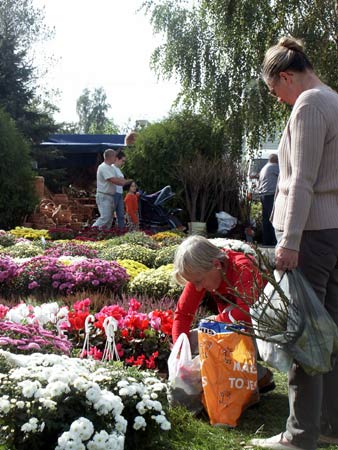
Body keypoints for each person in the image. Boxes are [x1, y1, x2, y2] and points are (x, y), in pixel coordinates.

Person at [249, 36, 338, 450]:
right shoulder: (334, 99)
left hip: (311, 237)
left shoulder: (309, 105)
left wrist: (289, 240)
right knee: (330, 333)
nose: (278, 98)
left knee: (303, 334)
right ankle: (327, 425)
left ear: (286, 76)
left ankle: (299, 436)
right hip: (333, 233)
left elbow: (301, 180)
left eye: (274, 90)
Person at [172, 235, 275, 394]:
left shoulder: (244, 267)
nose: (198, 288)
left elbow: (246, 312)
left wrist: (212, 326)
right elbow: (183, 314)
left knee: (209, 333)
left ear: (217, 264)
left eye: (199, 281)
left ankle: (255, 377)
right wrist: (179, 348)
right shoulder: (201, 271)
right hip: (236, 328)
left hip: (266, 331)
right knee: (193, 339)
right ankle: (258, 376)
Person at [92, 149, 132, 229]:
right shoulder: (103, 167)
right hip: (104, 196)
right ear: (110, 157)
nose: (115, 158)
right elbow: (114, 180)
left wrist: (122, 181)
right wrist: (126, 181)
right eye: (114, 156)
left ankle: (103, 235)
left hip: (110, 196)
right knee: (105, 217)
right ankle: (91, 230)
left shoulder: (111, 168)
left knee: (109, 219)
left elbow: (119, 179)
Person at [258, 153, 279, 246]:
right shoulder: (274, 167)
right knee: (273, 217)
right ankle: (275, 241)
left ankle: (266, 241)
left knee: (266, 219)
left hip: (263, 195)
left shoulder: (264, 167)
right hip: (271, 195)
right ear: (276, 160)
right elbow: (285, 176)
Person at [112, 151, 127, 230]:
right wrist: (122, 180)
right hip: (114, 193)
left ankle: (121, 231)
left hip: (119, 193)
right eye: (122, 161)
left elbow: (122, 181)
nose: (123, 163)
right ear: (117, 159)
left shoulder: (118, 169)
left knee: (121, 214)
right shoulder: (112, 168)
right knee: (110, 215)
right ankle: (106, 231)